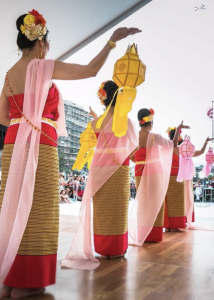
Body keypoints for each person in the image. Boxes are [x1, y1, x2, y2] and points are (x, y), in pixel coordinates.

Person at [0, 9, 140, 299]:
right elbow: (90, 70)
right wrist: (112, 41)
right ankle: (28, 282)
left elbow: (2, 117)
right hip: (41, 140)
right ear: (41, 43)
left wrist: (24, 117)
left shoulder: (9, 75)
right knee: (39, 211)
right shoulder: (42, 67)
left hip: (15, 140)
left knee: (14, 209)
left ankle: (10, 277)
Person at [63, 80, 138, 270]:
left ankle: (103, 248)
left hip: (98, 168)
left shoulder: (95, 122)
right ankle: (117, 248)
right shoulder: (126, 121)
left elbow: (102, 132)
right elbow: (134, 149)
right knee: (117, 209)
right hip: (118, 168)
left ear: (102, 99)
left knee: (102, 210)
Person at [130, 109, 184, 243]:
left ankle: (143, 232)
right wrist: (177, 130)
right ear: (150, 122)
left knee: (143, 203)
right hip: (154, 172)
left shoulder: (134, 137)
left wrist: (140, 161)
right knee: (156, 201)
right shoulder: (154, 136)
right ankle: (153, 234)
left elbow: (130, 155)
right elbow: (173, 145)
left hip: (139, 170)